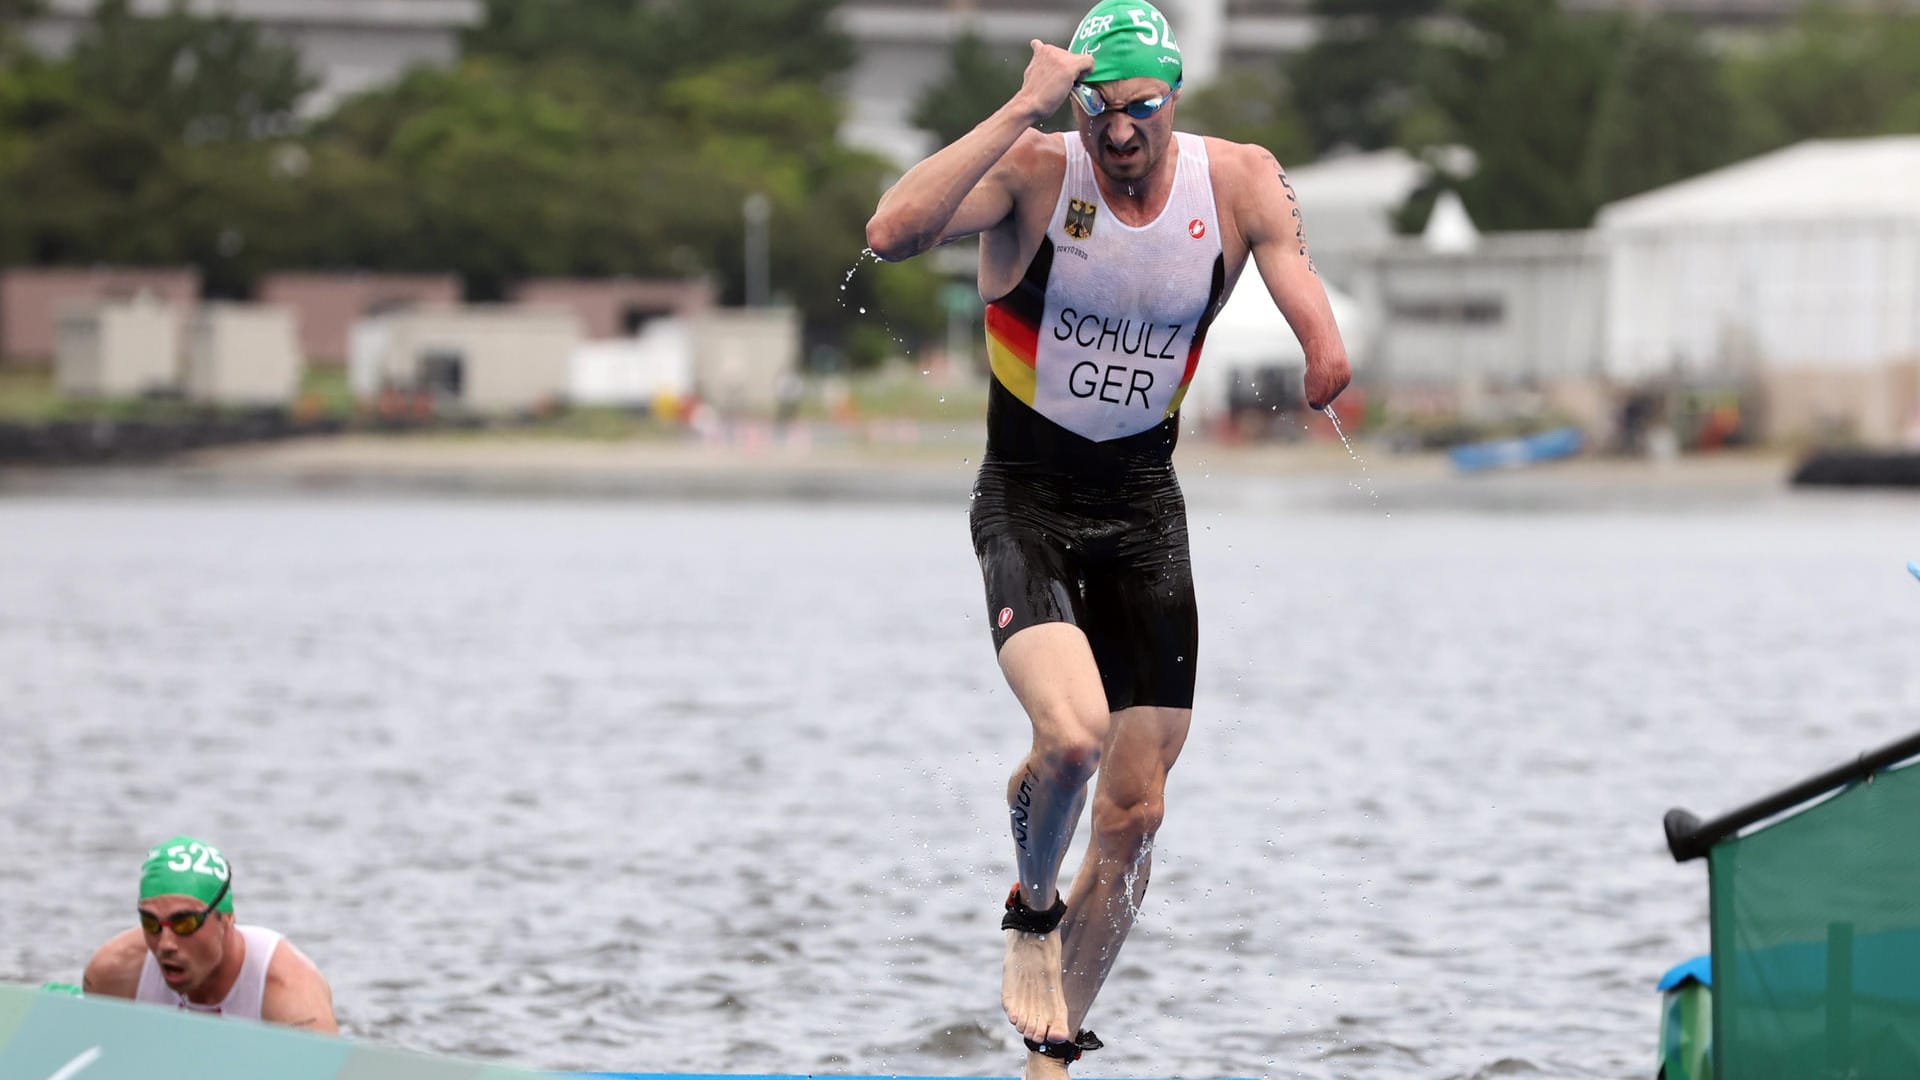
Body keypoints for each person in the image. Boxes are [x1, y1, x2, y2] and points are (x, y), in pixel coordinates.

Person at [865, 2, 1350, 1076]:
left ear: (1174, 98)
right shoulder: (1034, 170)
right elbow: (892, 232)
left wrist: (1322, 346)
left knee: (1135, 811)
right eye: (1099, 112)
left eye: (1141, 110)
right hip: (1028, 505)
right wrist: (1024, 108)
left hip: (1143, 516)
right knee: (1075, 740)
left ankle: (1054, 1056)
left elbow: (1295, 276)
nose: (1120, 134)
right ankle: (1031, 904)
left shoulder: (1241, 181)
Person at [81, 835, 338, 1033]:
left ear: (227, 919)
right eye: (150, 923)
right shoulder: (113, 973)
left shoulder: (290, 995)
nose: (165, 944)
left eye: (184, 924)